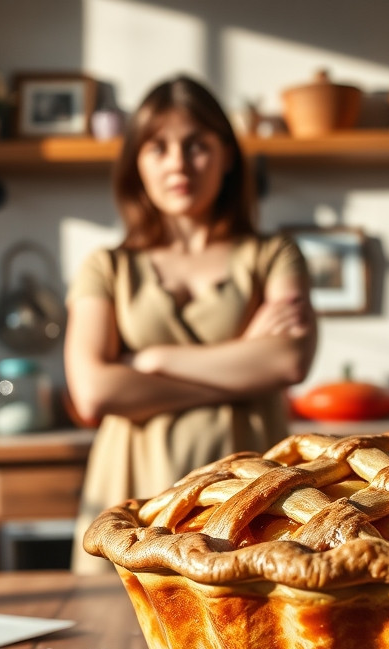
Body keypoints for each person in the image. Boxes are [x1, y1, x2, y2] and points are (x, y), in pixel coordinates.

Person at [64, 75, 317, 573]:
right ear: (137, 162)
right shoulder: (106, 266)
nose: (177, 162)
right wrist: (239, 367)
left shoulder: (273, 254)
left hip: (252, 495)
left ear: (225, 156)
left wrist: (152, 363)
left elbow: (287, 359)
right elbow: (92, 390)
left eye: (196, 145)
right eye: (158, 147)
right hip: (132, 489)